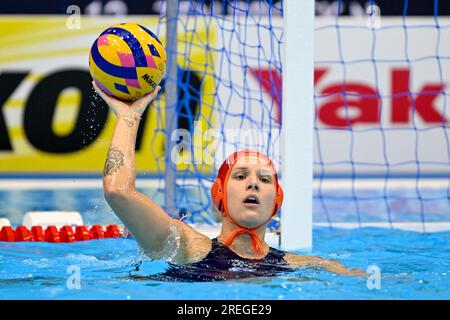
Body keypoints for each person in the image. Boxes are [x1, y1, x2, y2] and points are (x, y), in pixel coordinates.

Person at [93, 82, 366, 281]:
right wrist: (129, 118)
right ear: (219, 195)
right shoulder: (183, 245)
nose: (253, 184)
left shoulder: (303, 265)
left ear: (276, 202)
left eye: (264, 179)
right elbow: (118, 191)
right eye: (240, 176)